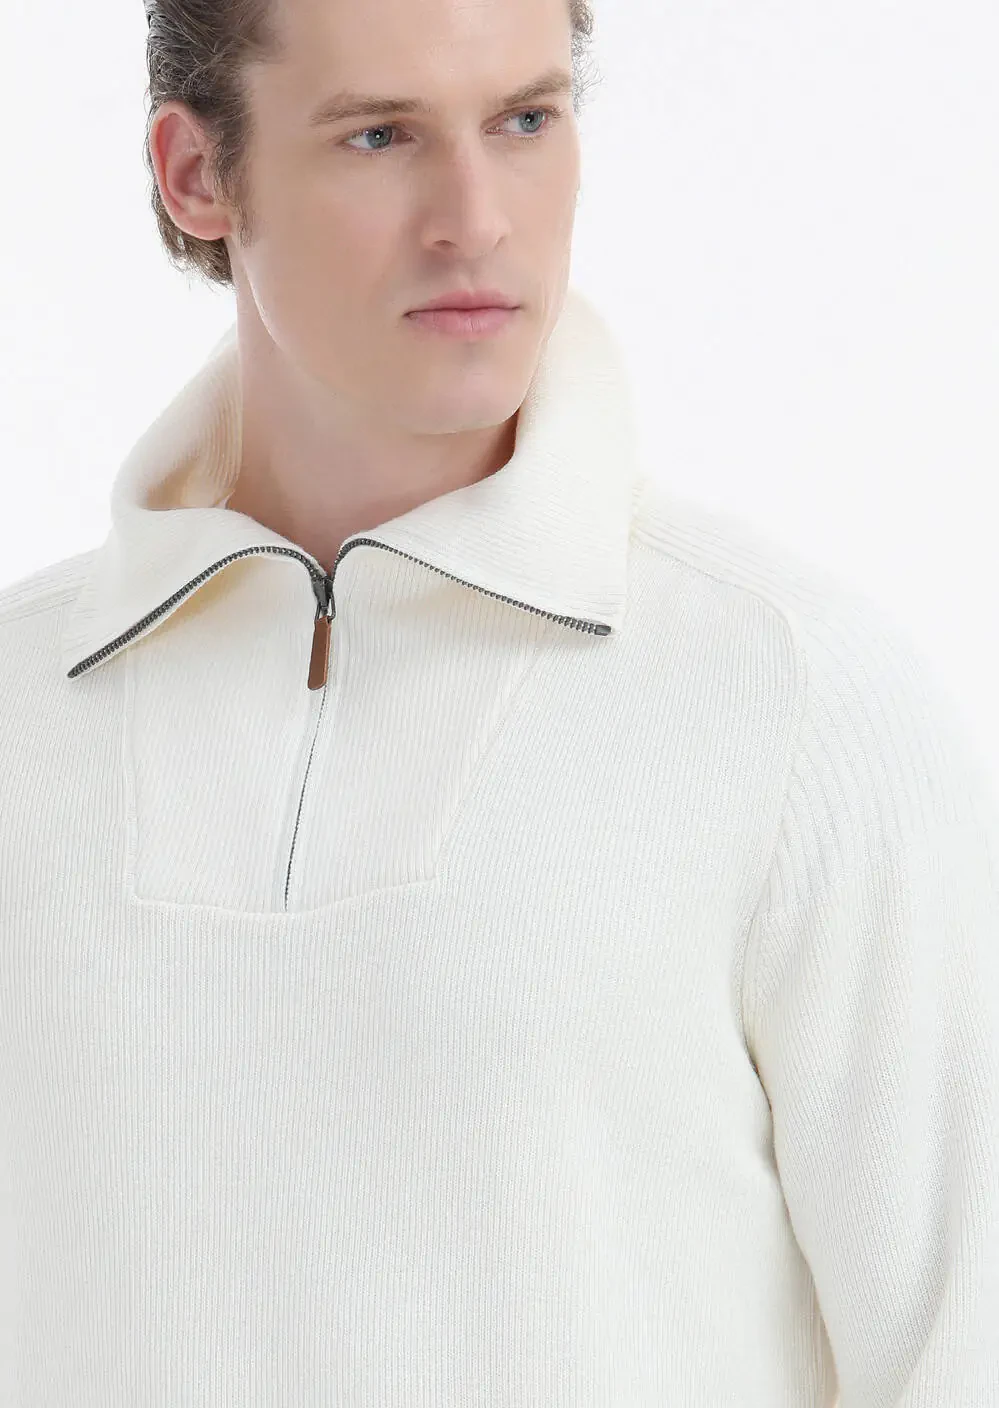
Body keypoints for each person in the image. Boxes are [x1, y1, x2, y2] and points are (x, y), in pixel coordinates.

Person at [0, 0, 996, 1403]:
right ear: (197, 174)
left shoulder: (792, 701)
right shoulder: (23, 712)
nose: (475, 219)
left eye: (525, 119)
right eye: (380, 136)